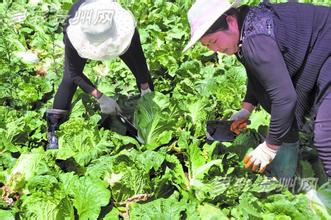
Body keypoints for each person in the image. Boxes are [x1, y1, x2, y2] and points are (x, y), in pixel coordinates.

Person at [184, 0, 331, 180]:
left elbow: (285, 99)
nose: (215, 50)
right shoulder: (243, 32)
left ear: (230, 21)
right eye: (207, 46)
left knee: (326, 137)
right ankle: (285, 177)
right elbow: (259, 75)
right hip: (321, 54)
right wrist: (246, 109)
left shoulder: (255, 38)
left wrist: (270, 147)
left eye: (214, 41)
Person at [45, 0, 153, 150]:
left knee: (142, 75)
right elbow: (75, 72)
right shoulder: (74, 32)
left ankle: (150, 113)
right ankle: (53, 128)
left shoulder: (124, 25)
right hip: (85, 26)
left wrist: (145, 87)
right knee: (69, 78)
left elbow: (139, 58)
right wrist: (101, 97)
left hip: (111, 27)